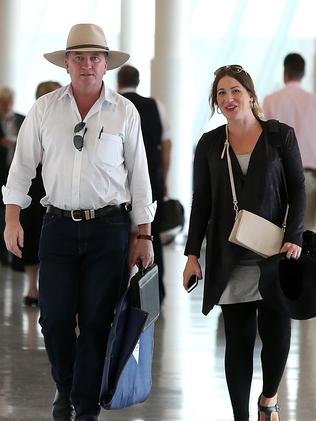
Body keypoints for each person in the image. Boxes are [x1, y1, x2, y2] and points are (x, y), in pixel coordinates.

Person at [2, 23, 155, 421]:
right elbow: (21, 169)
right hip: (58, 228)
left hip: (110, 230)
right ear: (67, 64)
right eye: (79, 58)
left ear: (105, 64)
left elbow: (140, 178)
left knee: (95, 322)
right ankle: (66, 387)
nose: (87, 64)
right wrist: (12, 217)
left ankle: (84, 408)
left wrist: (144, 235)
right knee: (52, 317)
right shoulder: (45, 109)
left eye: (95, 57)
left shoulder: (125, 112)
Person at [183, 65, 305, 421]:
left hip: (273, 254)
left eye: (235, 90)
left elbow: (297, 190)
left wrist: (293, 236)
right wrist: (192, 254)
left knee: (277, 335)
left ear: (251, 95)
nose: (229, 98)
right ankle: (240, 416)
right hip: (230, 255)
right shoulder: (210, 144)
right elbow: (201, 201)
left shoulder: (280, 136)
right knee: (237, 341)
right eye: (221, 93)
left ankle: (268, 397)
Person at [117, 64, 172, 302]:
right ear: (139, 81)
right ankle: (155, 288)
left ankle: (120, 287)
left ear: (118, 81)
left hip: (119, 182)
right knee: (151, 234)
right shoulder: (155, 105)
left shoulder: (113, 105)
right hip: (151, 179)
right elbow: (167, 144)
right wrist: (164, 176)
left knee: (119, 235)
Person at [18, 81, 62, 307]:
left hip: (50, 187)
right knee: (34, 235)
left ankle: (36, 287)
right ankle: (33, 287)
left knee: (41, 236)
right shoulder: (34, 120)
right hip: (36, 187)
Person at [263, 53, 316, 232]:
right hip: (309, 176)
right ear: (303, 74)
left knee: (278, 233)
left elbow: (266, 142)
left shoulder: (271, 100)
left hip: (279, 177)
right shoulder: (313, 101)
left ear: (285, 72)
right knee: (307, 235)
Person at [0, 87, 25, 265]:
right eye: (4, 101)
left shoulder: (22, 119)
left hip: (15, 170)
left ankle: (10, 254)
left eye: (9, 100)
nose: (7, 104)